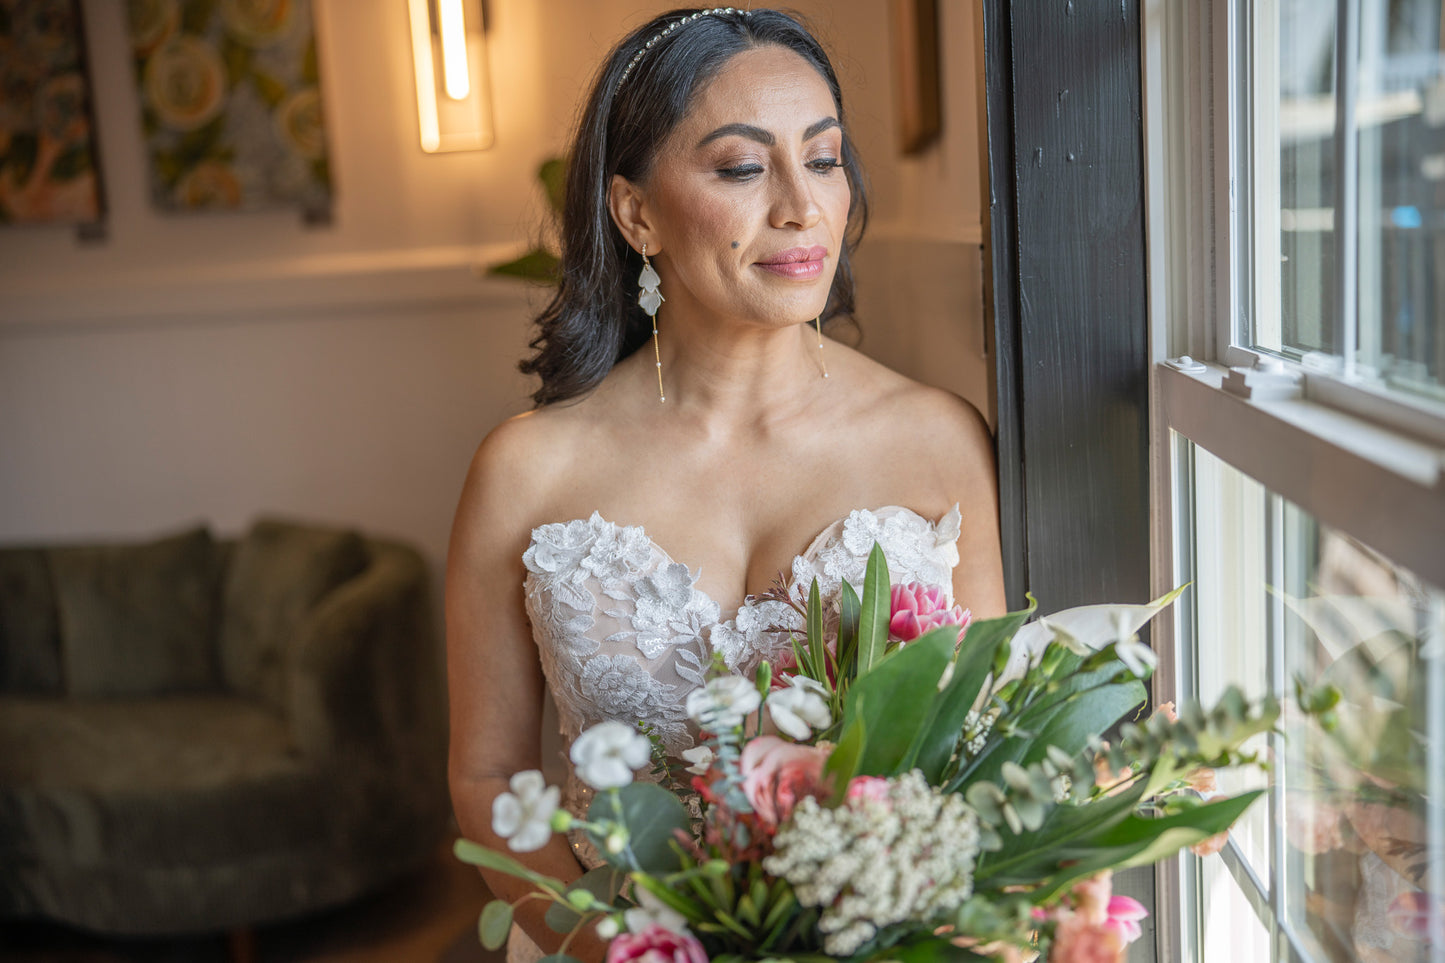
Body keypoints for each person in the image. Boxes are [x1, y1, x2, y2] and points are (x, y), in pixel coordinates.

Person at [445, 8, 1006, 962]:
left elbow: (986, 746)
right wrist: (614, 950)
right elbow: (489, 774)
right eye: (743, 168)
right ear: (636, 213)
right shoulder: (526, 469)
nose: (800, 206)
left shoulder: (938, 440)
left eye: (822, 159)